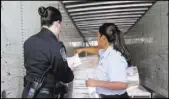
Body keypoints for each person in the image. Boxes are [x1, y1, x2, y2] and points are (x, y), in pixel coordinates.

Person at [22, 6, 74, 98]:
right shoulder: (56, 46)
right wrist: (70, 71)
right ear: (58, 23)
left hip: (28, 93)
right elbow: (64, 77)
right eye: (60, 24)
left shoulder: (28, 42)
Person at [74, 23, 131, 98]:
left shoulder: (114, 57)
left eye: (97, 36)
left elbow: (122, 85)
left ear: (103, 38)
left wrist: (95, 83)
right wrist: (83, 49)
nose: (97, 39)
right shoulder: (106, 51)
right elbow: (97, 50)